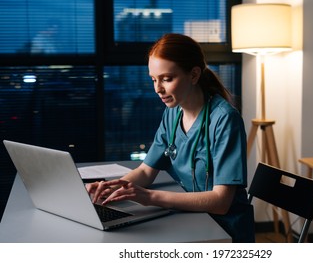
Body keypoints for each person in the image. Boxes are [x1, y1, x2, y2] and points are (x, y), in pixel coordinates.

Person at [87, 33, 255, 242]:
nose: (158, 89)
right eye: (154, 79)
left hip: (223, 229)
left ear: (194, 75)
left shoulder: (225, 120)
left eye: (167, 79)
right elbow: (146, 171)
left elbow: (220, 202)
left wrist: (150, 197)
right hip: (190, 217)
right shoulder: (173, 113)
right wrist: (112, 188)